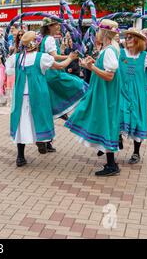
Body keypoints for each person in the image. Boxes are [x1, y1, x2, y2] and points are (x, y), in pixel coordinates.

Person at [6, 31, 78, 167]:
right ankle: (42, 141)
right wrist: (70, 57)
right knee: (40, 118)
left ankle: (20, 156)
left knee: (22, 124)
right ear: (36, 44)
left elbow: (8, 71)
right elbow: (60, 66)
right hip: (39, 95)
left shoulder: (16, 58)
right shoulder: (42, 57)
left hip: (21, 97)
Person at [65, 20, 122, 177]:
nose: (95, 33)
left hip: (106, 94)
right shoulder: (108, 49)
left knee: (106, 124)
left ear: (103, 33)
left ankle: (111, 165)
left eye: (97, 31)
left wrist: (91, 67)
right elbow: (106, 69)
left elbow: (110, 75)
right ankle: (111, 163)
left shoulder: (110, 50)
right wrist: (92, 63)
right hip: (104, 93)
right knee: (105, 123)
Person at [40, 18, 89, 153]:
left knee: (49, 109)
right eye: (56, 25)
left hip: (48, 74)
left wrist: (67, 54)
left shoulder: (46, 39)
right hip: (53, 74)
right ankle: (68, 110)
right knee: (80, 85)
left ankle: (47, 141)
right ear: (50, 27)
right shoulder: (49, 39)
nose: (58, 27)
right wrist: (70, 56)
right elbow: (54, 57)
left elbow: (53, 55)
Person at [118, 28, 147, 165]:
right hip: (121, 90)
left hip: (137, 93)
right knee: (118, 114)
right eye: (127, 37)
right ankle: (117, 138)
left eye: (131, 37)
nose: (127, 40)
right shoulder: (119, 53)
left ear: (137, 40)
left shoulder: (145, 56)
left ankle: (136, 152)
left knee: (137, 119)